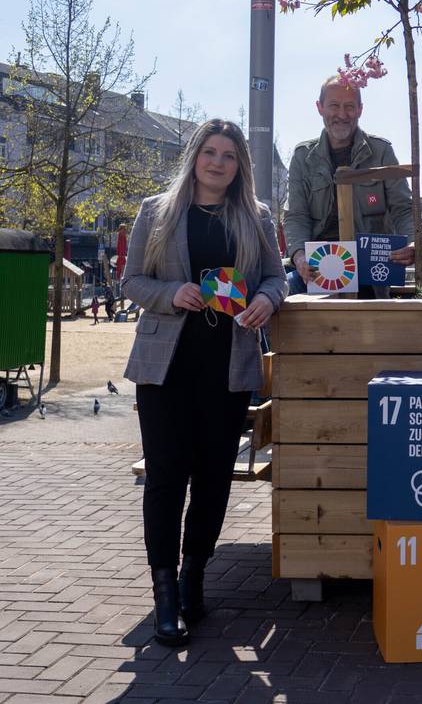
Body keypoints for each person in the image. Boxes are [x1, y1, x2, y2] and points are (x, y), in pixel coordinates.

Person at [122, 119, 287, 647]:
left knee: (214, 478)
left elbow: (276, 277)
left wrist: (266, 299)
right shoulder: (157, 211)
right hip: (164, 367)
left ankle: (195, 578)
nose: (218, 163)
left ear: (241, 166)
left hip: (228, 365)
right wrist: (172, 293)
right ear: (194, 155)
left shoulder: (255, 215)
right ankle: (164, 593)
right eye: (210, 152)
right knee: (167, 478)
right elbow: (131, 283)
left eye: (229, 156)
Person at [284, 76, 415, 296]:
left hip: (369, 271)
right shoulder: (303, 157)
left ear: (360, 110)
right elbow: (296, 216)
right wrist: (299, 257)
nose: (342, 115)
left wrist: (413, 243)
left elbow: (403, 208)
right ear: (320, 108)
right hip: (316, 269)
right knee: (280, 294)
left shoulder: (381, 152)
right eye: (334, 106)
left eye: (349, 107)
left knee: (365, 325)